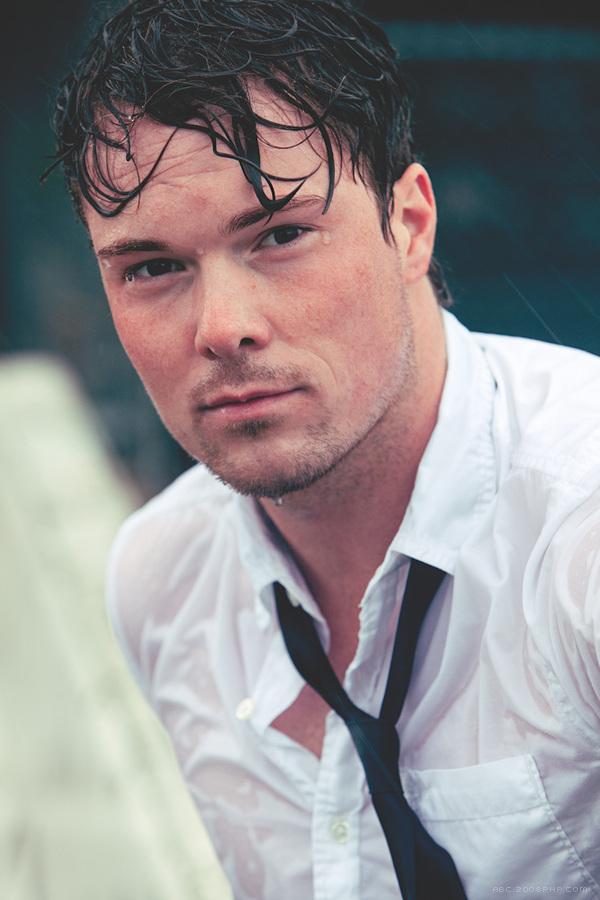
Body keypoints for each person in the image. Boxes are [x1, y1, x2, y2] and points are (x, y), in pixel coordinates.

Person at [46, 1, 600, 897]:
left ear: (409, 223)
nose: (222, 328)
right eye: (152, 267)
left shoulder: (578, 532)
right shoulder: (162, 581)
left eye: (281, 236)